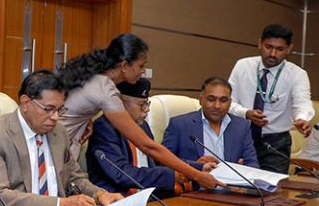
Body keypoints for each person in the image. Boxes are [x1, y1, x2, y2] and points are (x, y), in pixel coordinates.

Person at [58, 33, 223, 190]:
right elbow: (147, 146)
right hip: (55, 148)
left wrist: (87, 120)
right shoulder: (105, 88)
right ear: (124, 66)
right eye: (141, 66)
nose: (143, 71)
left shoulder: (97, 79)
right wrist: (196, 175)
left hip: (63, 147)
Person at [0, 70, 122, 206]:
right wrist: (60, 205)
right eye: (49, 109)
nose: (55, 117)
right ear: (25, 103)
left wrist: (99, 195)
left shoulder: (59, 132)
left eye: (59, 110)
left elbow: (74, 177)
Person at [228, 23, 313, 173]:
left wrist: (302, 118)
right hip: (241, 136)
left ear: (289, 49)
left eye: (280, 49)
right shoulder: (243, 66)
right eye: (268, 47)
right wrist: (246, 113)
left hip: (276, 143)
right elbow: (227, 102)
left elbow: (302, 102)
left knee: (273, 185)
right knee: (236, 182)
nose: (273, 54)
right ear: (259, 43)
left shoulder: (297, 74)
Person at [86, 78, 185, 196]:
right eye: (141, 104)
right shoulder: (104, 128)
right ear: (120, 103)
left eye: (147, 103)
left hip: (150, 196)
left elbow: (158, 161)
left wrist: (196, 167)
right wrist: (168, 175)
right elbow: (121, 174)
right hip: (117, 199)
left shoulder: (143, 126)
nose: (147, 109)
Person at [163, 77, 259, 171]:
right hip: (194, 181)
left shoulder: (242, 126)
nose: (217, 106)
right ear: (201, 100)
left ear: (230, 103)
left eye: (223, 100)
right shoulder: (179, 125)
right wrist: (196, 166)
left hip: (231, 181)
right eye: (211, 99)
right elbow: (163, 161)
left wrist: (243, 174)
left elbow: (252, 164)